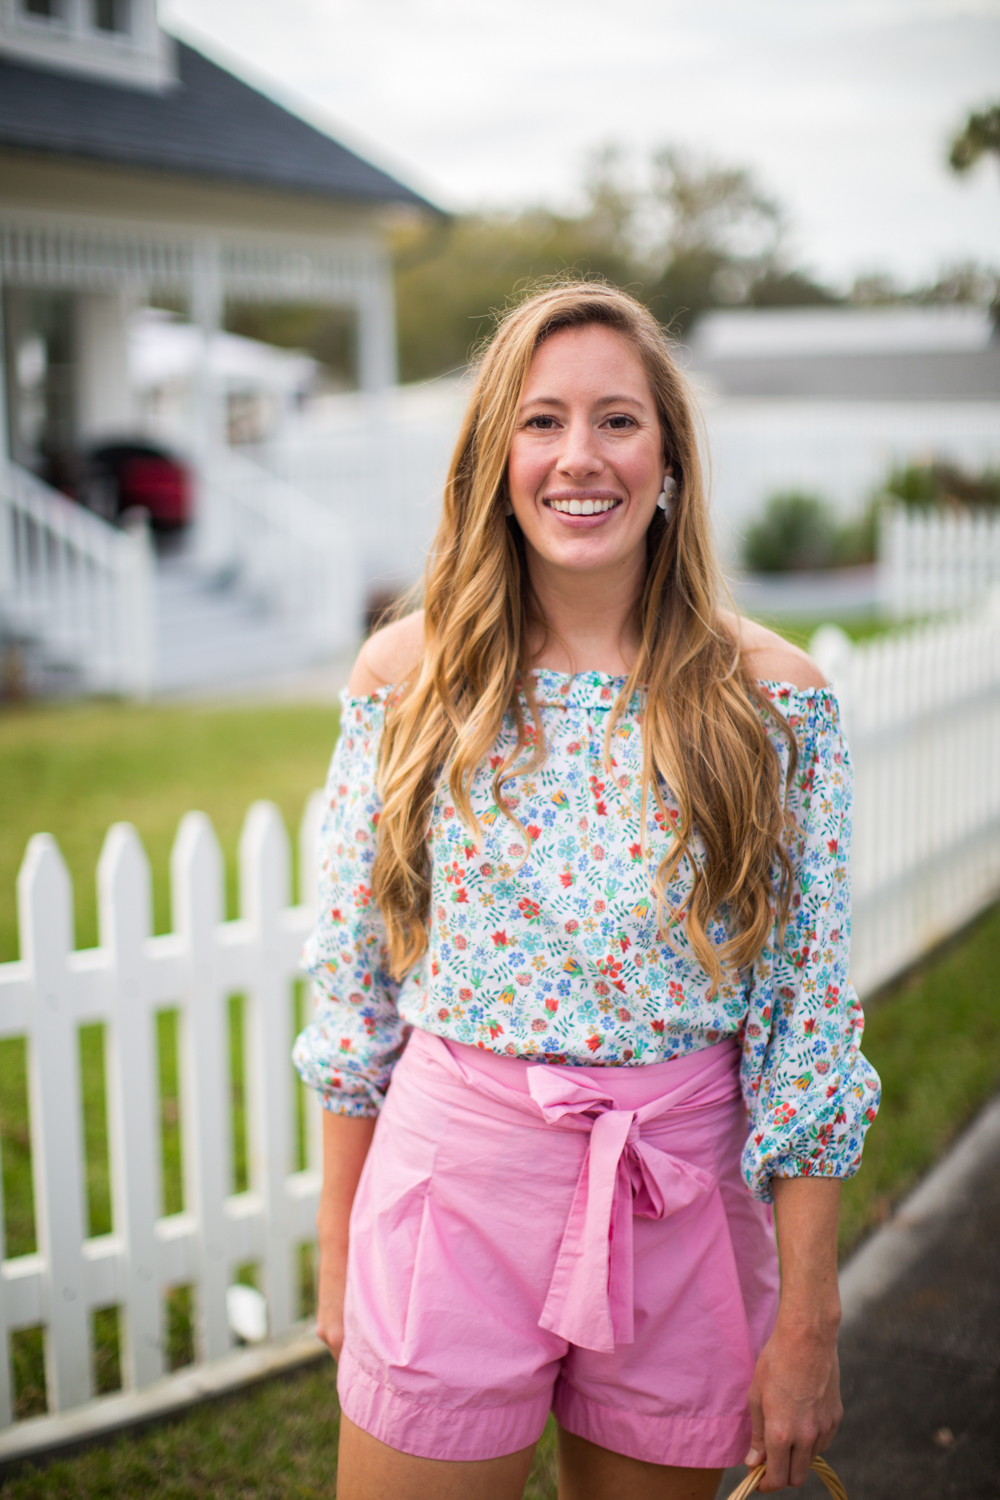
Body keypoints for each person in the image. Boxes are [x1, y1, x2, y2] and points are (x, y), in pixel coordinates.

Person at [293, 282, 880, 1500]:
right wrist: (340, 1245)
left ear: (667, 455)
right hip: (454, 1191)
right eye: (541, 421)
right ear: (494, 455)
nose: (578, 458)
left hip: (678, 1209)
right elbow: (353, 988)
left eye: (617, 421)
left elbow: (805, 1027)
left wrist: (809, 1318)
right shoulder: (410, 680)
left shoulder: (772, 701)